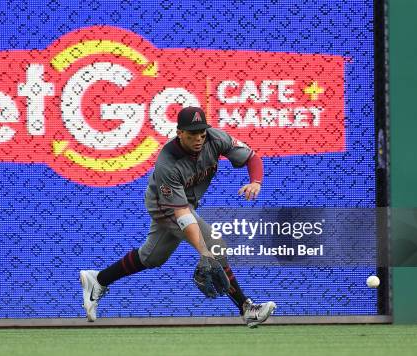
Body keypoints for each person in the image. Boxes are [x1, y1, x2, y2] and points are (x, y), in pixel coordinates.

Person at [79, 106, 276, 327]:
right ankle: (247, 308)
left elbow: (252, 157)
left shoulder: (214, 138)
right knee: (214, 245)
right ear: (179, 133)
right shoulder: (168, 162)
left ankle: (98, 280)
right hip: (165, 205)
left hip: (186, 204)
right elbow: (182, 214)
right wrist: (204, 251)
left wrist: (255, 182)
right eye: (192, 135)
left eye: (201, 134)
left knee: (151, 257)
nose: (198, 139)